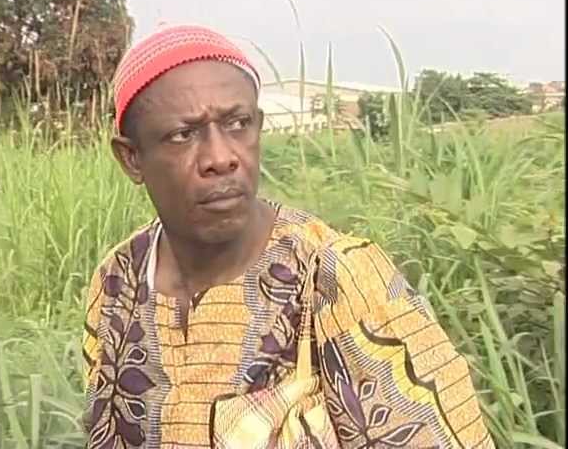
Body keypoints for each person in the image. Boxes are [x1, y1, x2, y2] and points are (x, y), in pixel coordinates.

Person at [82, 24, 495, 448]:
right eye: (183, 135)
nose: (221, 158)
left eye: (238, 124)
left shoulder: (339, 278)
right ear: (131, 158)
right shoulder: (119, 280)